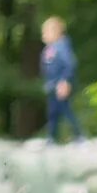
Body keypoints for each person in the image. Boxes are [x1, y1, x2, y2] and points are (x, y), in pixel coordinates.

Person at [39, 16, 82, 145]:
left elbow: (70, 64)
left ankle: (79, 135)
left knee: (66, 111)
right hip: (52, 86)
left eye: (46, 32)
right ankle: (52, 137)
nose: (44, 35)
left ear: (56, 32)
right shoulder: (50, 48)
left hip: (61, 85)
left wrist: (65, 81)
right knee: (52, 112)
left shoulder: (62, 47)